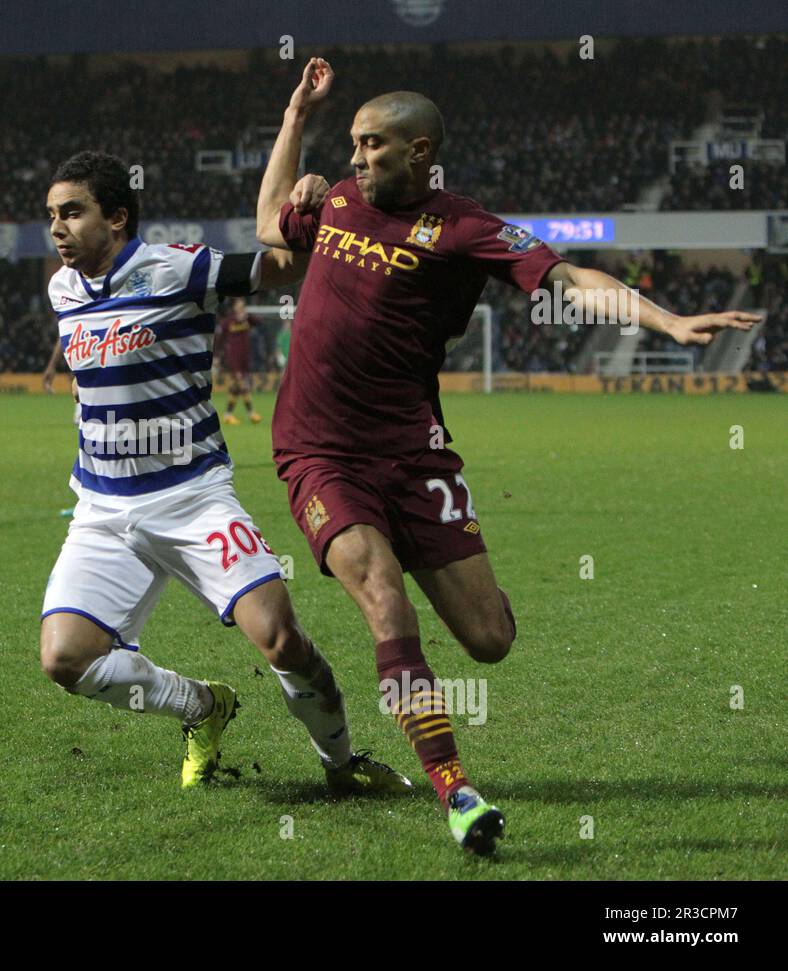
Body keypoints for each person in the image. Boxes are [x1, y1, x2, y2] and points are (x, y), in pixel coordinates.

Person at [256, 58, 760, 854]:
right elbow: (266, 225)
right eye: (352, 143)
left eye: (372, 144)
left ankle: (458, 589)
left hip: (414, 457)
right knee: (385, 598)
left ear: (420, 152)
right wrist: (294, 118)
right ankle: (455, 790)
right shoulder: (340, 202)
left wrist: (665, 322)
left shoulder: (464, 229)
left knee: (489, 637)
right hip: (320, 453)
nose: (355, 160)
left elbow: (570, 278)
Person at [39, 150, 413, 793]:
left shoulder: (176, 268)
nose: (57, 228)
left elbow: (282, 267)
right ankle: (202, 708)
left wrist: (308, 209)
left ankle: (342, 765)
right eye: (51, 216)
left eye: (73, 212)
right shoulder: (62, 289)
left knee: (280, 639)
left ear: (119, 218)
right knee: (65, 658)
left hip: (192, 499)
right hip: (102, 510)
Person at [214, 297, 261, 424]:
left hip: (244, 357)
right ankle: (251, 413)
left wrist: (248, 316)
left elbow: (259, 322)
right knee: (242, 383)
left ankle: (228, 415)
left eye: (243, 305)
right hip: (233, 357)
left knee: (236, 387)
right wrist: (216, 356)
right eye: (240, 305)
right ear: (234, 307)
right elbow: (219, 340)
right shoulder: (228, 322)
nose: (242, 307)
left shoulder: (247, 319)